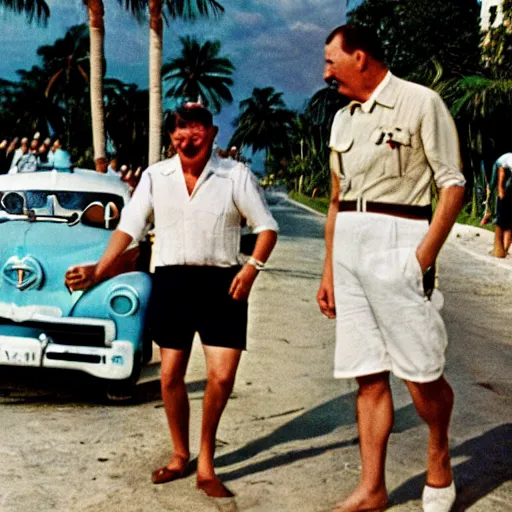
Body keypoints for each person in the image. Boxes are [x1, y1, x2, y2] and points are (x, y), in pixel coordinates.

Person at [64, 103, 278, 498]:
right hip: (172, 282)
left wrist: (251, 269)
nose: (187, 138)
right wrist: (98, 270)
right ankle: (181, 454)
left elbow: (266, 228)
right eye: (180, 131)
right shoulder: (155, 177)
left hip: (223, 284)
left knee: (221, 377)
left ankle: (207, 460)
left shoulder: (236, 175)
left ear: (212, 134)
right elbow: (128, 229)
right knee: (169, 375)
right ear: (172, 137)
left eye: (196, 130)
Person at [317, 24, 465, 512]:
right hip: (350, 246)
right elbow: (336, 202)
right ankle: (372, 488)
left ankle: (438, 454)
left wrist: (422, 257)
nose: (325, 73)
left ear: (360, 57)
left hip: (400, 238)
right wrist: (328, 271)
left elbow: (452, 185)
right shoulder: (342, 120)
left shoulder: (421, 103)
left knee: (420, 373)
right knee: (368, 374)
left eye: (331, 62)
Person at [489, 152, 512, 258]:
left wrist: (501, 191)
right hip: (500, 165)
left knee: (504, 217)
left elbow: (503, 174)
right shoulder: (507, 159)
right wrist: (500, 189)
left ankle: (502, 249)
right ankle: (503, 249)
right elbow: (502, 171)